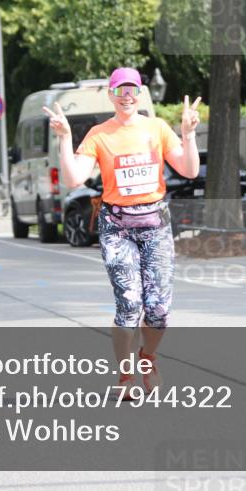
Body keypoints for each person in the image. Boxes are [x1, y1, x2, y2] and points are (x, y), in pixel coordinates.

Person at [43, 67, 200, 399]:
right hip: (117, 227)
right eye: (120, 90)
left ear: (140, 93)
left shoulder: (156, 128)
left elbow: (188, 169)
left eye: (132, 89)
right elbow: (73, 179)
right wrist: (65, 139)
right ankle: (125, 375)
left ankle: (148, 359)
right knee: (129, 303)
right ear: (111, 95)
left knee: (158, 309)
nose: (127, 95)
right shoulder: (100, 135)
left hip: (155, 224)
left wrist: (188, 135)